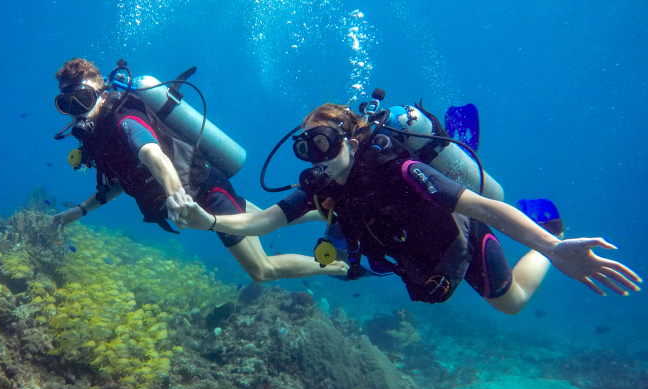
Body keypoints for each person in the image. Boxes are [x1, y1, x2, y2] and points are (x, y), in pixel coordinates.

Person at [177, 102, 642, 314]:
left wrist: (553, 247)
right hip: (416, 259)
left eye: (322, 142)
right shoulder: (325, 188)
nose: (315, 157)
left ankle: (549, 231)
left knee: (514, 304)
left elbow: (481, 206)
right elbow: (263, 220)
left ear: (351, 139)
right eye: (306, 148)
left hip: (461, 241)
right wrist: (211, 220)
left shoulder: (402, 170)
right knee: (330, 216)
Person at [49, 58, 347, 282]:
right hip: (195, 190)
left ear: (101, 93)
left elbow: (153, 155)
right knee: (264, 219)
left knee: (262, 270)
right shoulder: (96, 136)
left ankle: (338, 267)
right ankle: (331, 211)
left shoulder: (123, 117)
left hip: (203, 192)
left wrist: (177, 196)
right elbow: (119, 182)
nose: (76, 108)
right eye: (66, 103)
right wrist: (79, 210)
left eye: (82, 98)